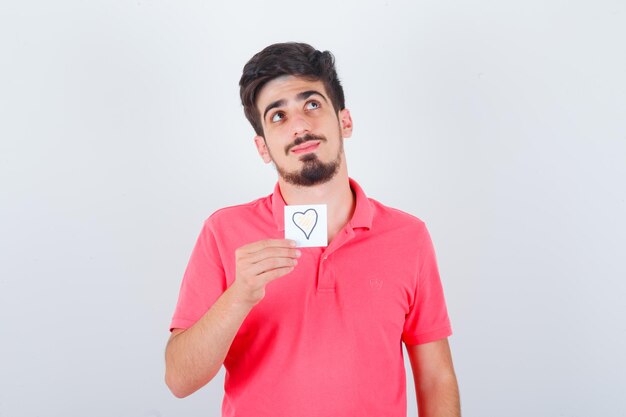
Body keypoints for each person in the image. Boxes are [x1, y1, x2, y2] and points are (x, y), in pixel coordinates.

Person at [165, 42, 460, 417]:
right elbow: (178, 380)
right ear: (263, 148)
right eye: (278, 117)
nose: (300, 126)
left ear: (345, 121)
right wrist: (239, 295)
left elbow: (436, 378)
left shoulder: (409, 236)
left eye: (312, 105)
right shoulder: (223, 231)